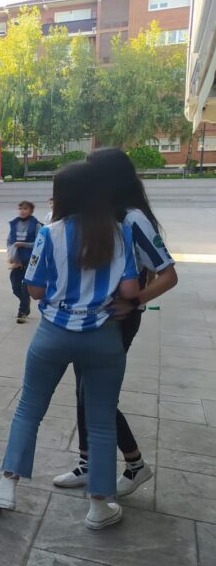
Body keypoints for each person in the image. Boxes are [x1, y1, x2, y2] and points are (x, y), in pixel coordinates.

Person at [0, 161, 139, 530]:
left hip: (53, 333)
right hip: (104, 336)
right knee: (101, 420)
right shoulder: (120, 233)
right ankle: (100, 506)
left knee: (28, 410)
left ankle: (7, 486)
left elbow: (34, 289)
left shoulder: (50, 233)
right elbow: (130, 289)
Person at [53, 148, 178, 497]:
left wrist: (135, 301)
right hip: (91, 319)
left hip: (117, 322)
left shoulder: (132, 218)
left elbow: (168, 275)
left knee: (96, 394)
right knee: (82, 391)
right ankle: (87, 462)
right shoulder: (101, 215)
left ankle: (135, 464)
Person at [7, 201, 41, 324]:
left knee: (25, 288)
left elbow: (39, 243)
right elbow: (9, 241)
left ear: (31, 211)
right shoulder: (14, 224)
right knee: (15, 287)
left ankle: (22, 312)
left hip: (31, 261)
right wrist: (11, 255)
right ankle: (25, 303)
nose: (22, 211)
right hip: (18, 262)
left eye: (25, 208)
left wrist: (24, 244)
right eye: (20, 208)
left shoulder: (36, 225)